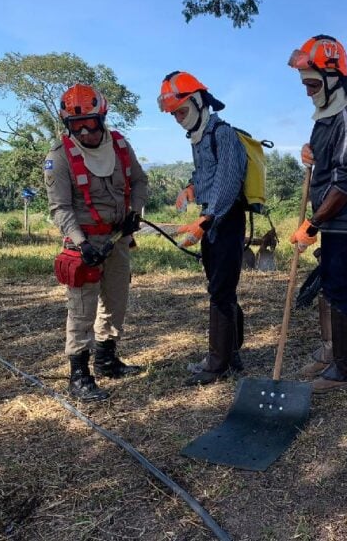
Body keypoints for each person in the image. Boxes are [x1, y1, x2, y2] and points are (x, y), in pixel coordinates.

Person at [44, 84, 149, 401]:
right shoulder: (59, 158)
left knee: (115, 302)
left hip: (119, 238)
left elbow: (140, 181)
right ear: (68, 126)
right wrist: (80, 241)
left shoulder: (119, 145)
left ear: (102, 117)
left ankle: (106, 359)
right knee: (81, 308)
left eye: (91, 123)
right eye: (78, 126)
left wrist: (134, 213)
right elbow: (59, 208)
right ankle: (79, 375)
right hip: (84, 242)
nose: (86, 131)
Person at [287, 35, 347, 394]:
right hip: (329, 218)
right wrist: (310, 152)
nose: (307, 91)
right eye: (304, 83)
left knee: (342, 286)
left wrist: (314, 223)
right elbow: (327, 163)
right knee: (331, 285)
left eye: (311, 83)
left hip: (344, 219)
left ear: (332, 77)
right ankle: (332, 354)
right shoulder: (326, 116)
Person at [158, 71, 247, 386]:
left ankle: (217, 362)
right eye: (174, 115)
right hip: (212, 217)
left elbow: (228, 181)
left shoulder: (221, 132)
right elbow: (206, 173)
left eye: (181, 111)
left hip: (226, 219)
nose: (178, 119)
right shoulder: (199, 136)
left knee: (220, 291)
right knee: (220, 287)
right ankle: (232, 354)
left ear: (197, 102)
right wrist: (190, 188)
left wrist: (204, 221)